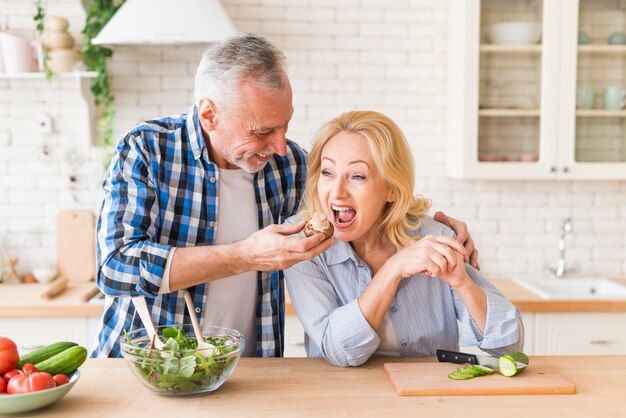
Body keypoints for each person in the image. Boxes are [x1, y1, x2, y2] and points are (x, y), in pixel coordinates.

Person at [91, 33, 477, 358]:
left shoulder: (288, 164)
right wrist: (245, 256)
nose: (279, 145)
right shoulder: (148, 150)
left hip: (251, 370)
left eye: (285, 126)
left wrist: (432, 229)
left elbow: (353, 204)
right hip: (149, 366)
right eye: (262, 131)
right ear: (210, 116)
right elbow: (114, 267)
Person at [284, 110, 523, 367]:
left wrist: (462, 283)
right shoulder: (303, 246)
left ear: (391, 189)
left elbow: (509, 346)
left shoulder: (435, 237)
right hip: (342, 398)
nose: (337, 192)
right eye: (328, 173)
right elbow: (338, 350)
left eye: (357, 176)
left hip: (428, 396)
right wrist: (393, 270)